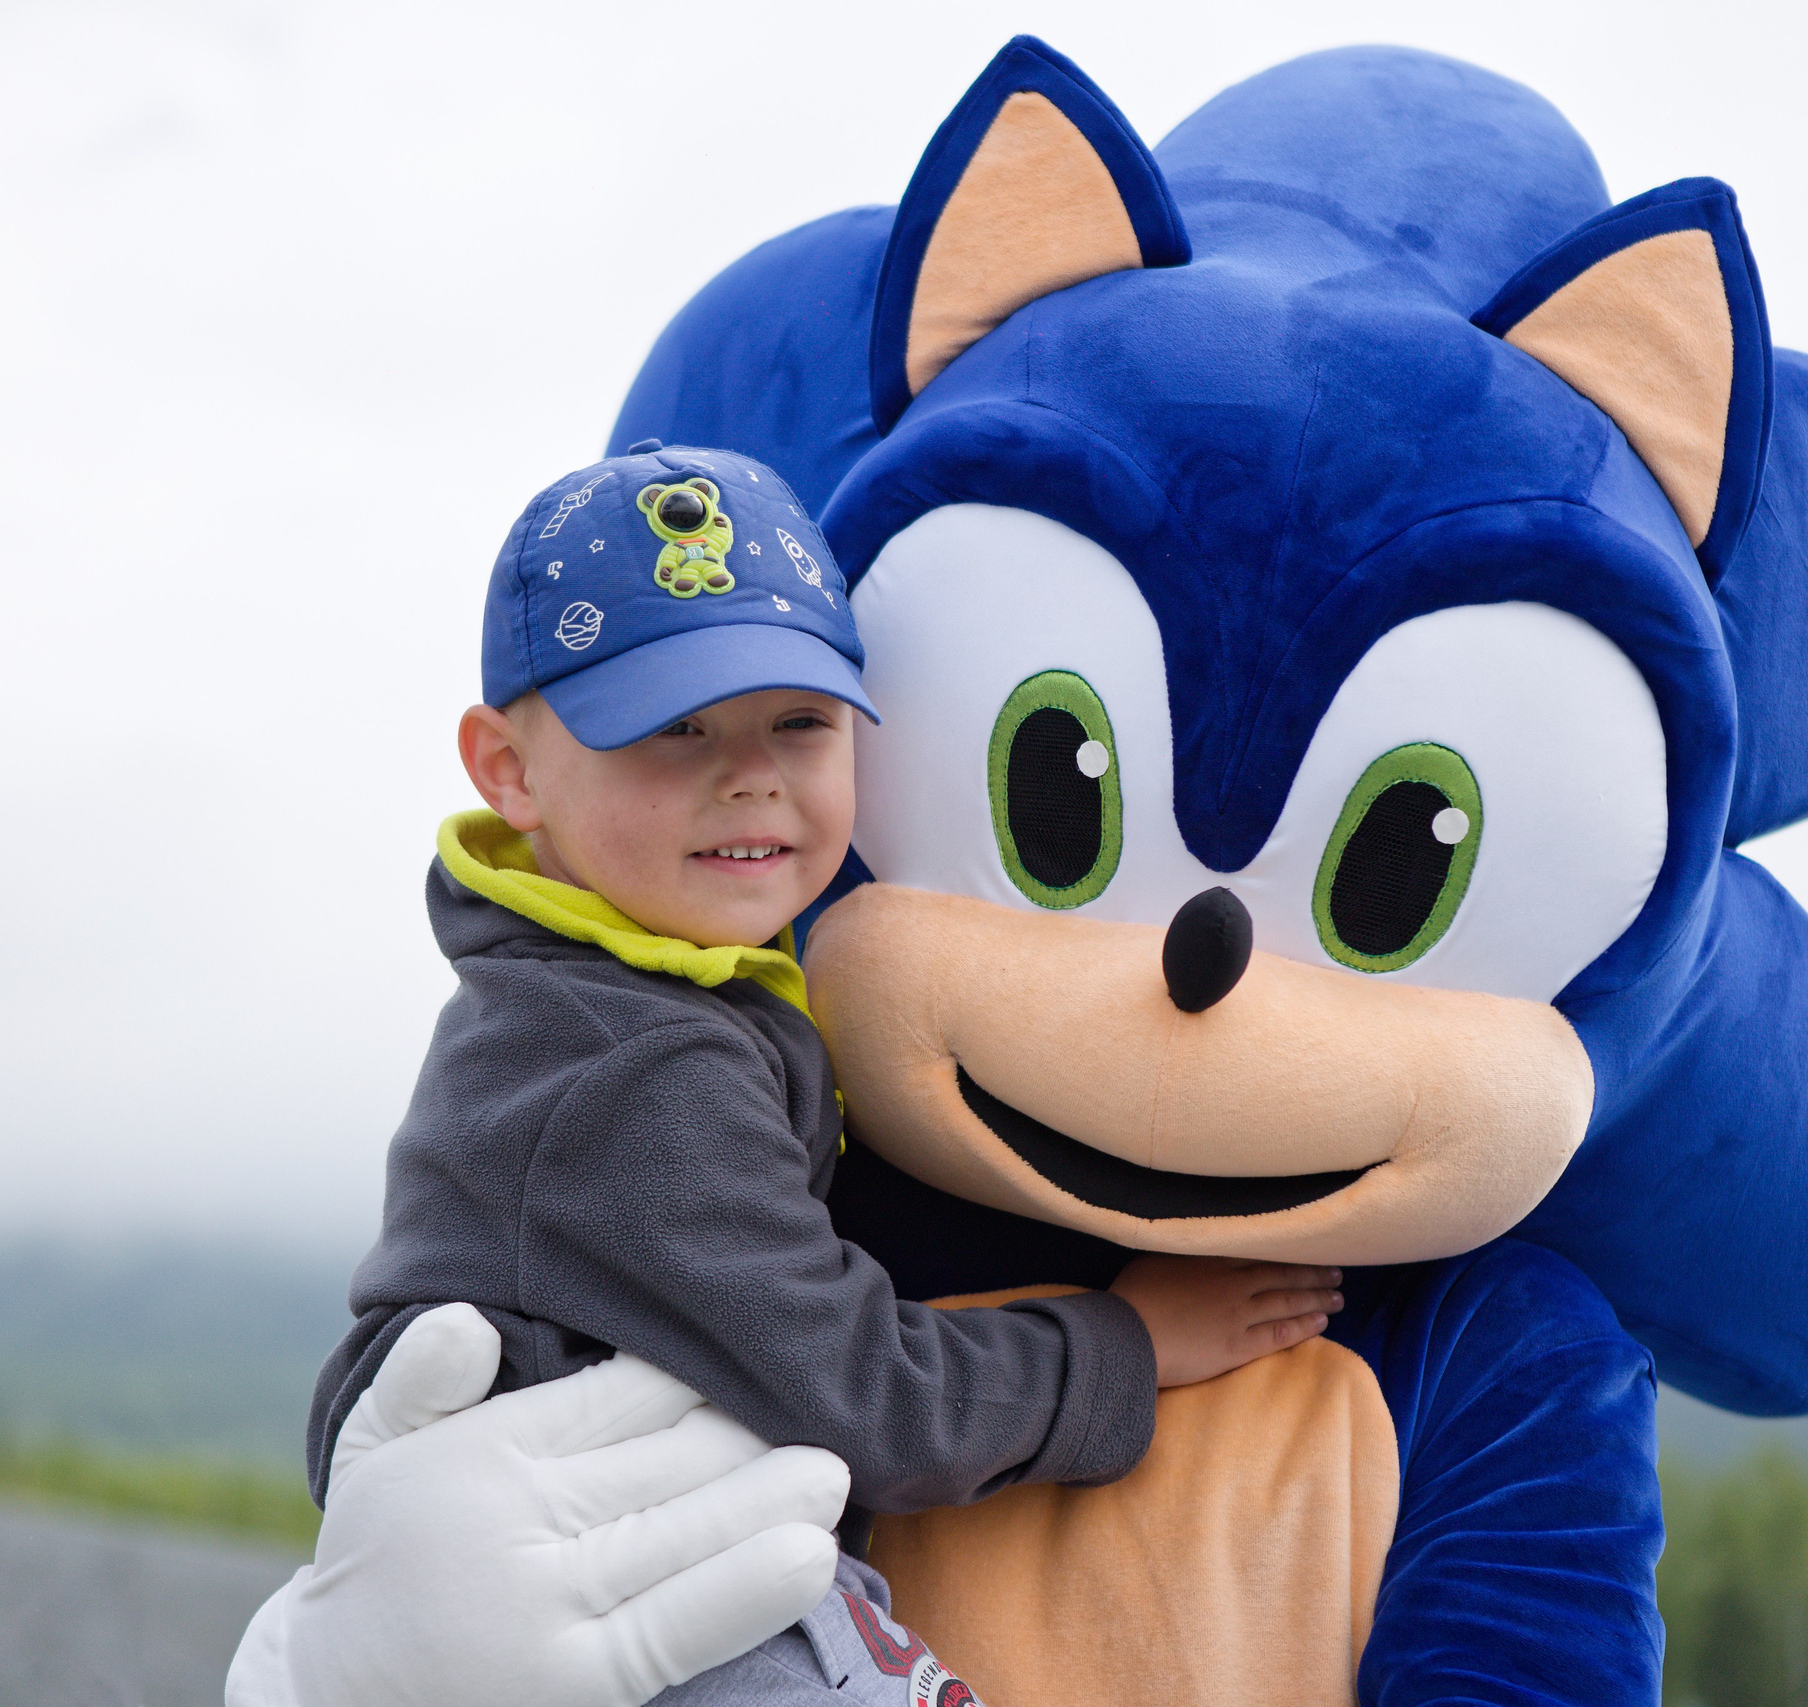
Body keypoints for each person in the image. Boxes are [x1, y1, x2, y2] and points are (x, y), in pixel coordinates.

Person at [300, 442, 1344, 1704]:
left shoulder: (603, 990)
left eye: (799, 722)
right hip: (636, 1614)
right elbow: (861, 1400)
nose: (751, 775)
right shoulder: (635, 1070)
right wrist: (1125, 1345)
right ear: (507, 769)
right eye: (673, 729)